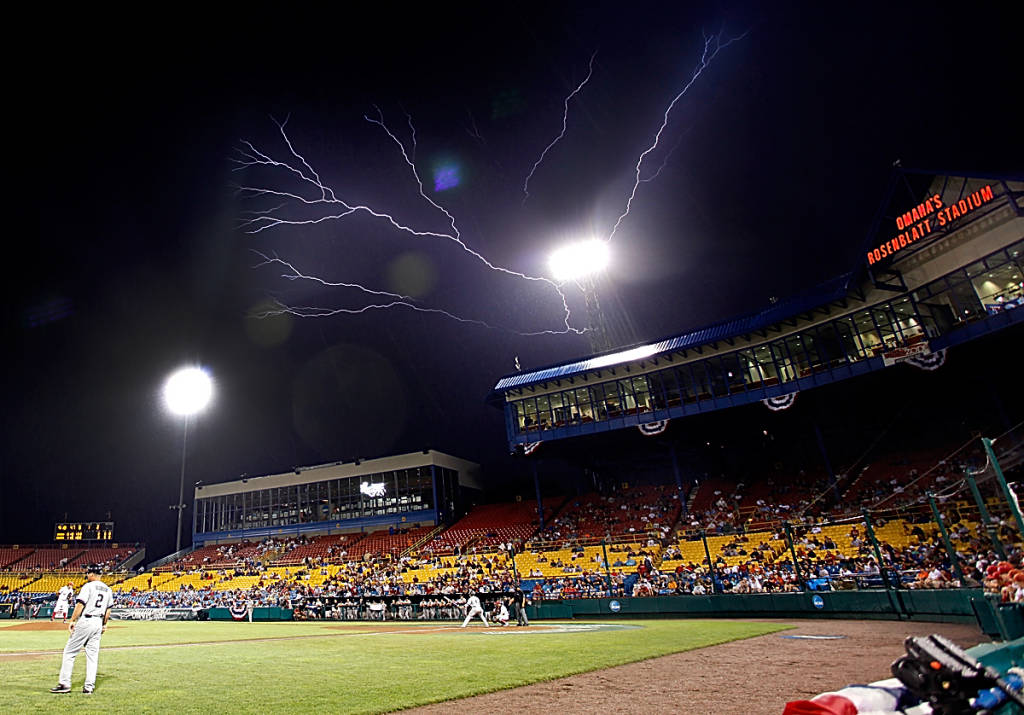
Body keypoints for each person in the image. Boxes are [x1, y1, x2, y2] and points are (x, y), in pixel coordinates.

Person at [50, 566, 113, 695]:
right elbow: (108, 610)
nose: (87, 575)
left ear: (92, 574)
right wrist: (104, 624)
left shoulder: (88, 586)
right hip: (98, 622)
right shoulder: (108, 589)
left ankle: (64, 684)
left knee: (69, 652)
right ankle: (89, 687)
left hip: (86, 620)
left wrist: (73, 620)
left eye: (88, 573)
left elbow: (80, 604)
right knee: (92, 656)